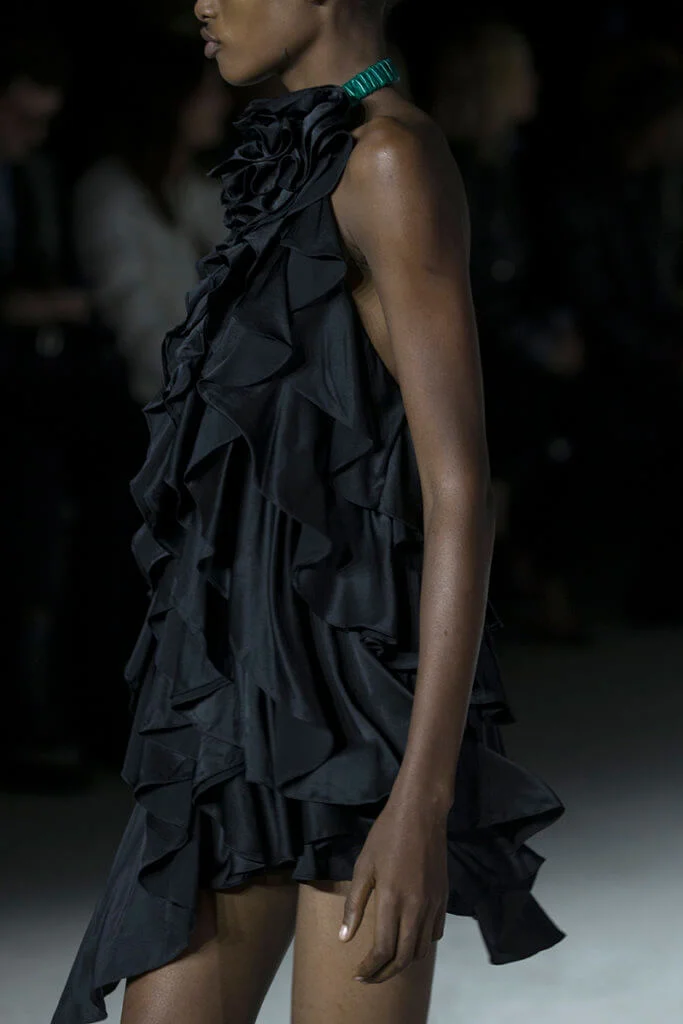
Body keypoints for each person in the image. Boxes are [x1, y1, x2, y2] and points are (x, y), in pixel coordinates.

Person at [51, 3, 566, 1023]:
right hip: (235, 699)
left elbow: (457, 488)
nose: (202, 0)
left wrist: (419, 803)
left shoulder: (390, 161)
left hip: (353, 719)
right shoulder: (294, 156)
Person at [429, 22, 588, 642]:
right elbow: (468, 288)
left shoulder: (513, 165)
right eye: (521, 71)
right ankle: (525, 586)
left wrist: (553, 330)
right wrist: (538, 341)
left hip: (506, 341)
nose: (534, 83)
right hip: (475, 350)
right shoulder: (458, 170)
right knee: (541, 425)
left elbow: (530, 271)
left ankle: (529, 580)